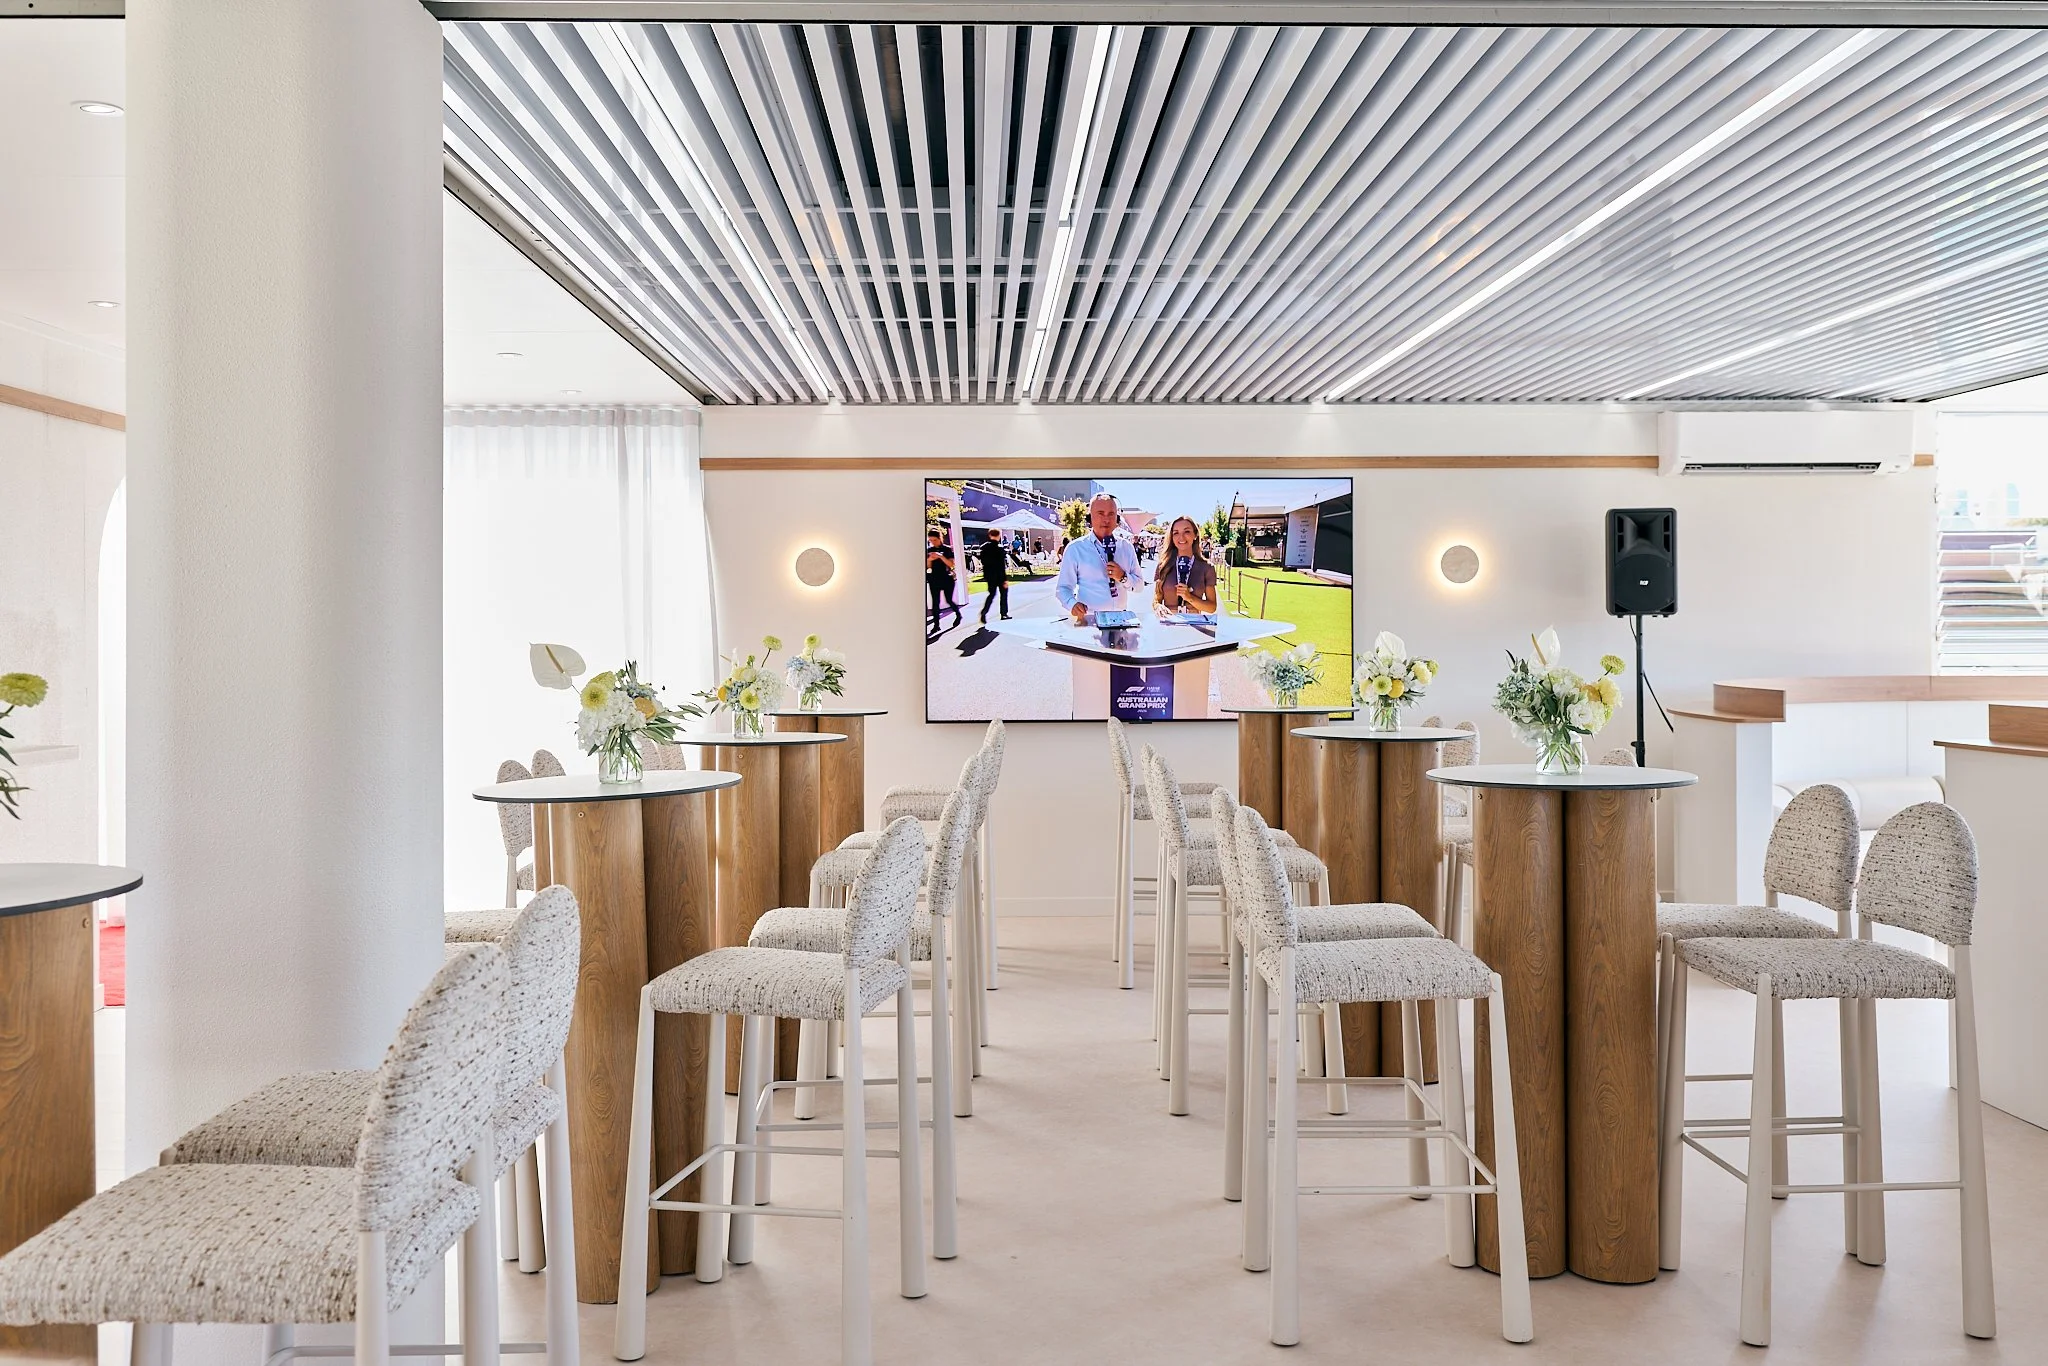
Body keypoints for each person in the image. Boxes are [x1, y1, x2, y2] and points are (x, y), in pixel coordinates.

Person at [1055, 493, 1141, 625]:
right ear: (1090, 517)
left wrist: (1123, 577)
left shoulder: (1126, 547)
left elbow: (1139, 586)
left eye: (1111, 514)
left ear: (1117, 518)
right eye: (1100, 513)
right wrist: (1072, 604)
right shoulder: (1075, 549)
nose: (1106, 519)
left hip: (1122, 620)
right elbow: (1063, 588)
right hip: (1089, 621)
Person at [1154, 514, 1220, 615]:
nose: (1181, 537)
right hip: (1169, 624)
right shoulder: (1163, 565)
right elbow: (1156, 600)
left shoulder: (1207, 567)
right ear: (1171, 537)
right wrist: (1158, 607)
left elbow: (1212, 607)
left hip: (1194, 626)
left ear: (1195, 535)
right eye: (1176, 533)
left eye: (1187, 531)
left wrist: (1189, 597)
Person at [926, 528, 961, 633]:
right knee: (935, 602)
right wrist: (929, 560)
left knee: (949, 600)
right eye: (931, 540)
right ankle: (936, 625)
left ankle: (958, 614)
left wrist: (941, 556)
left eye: (935, 540)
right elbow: (928, 568)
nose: (933, 542)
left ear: (939, 538)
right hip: (934, 579)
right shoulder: (929, 551)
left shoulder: (946, 549)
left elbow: (951, 564)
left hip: (946, 578)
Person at [977, 527, 1015, 623]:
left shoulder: (984, 548)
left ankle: (984, 611)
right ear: (999, 536)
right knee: (1003, 594)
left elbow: (983, 561)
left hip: (989, 574)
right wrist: (1005, 579)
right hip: (999, 574)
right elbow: (1001, 565)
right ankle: (1004, 613)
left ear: (990, 535)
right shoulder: (999, 548)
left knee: (991, 594)